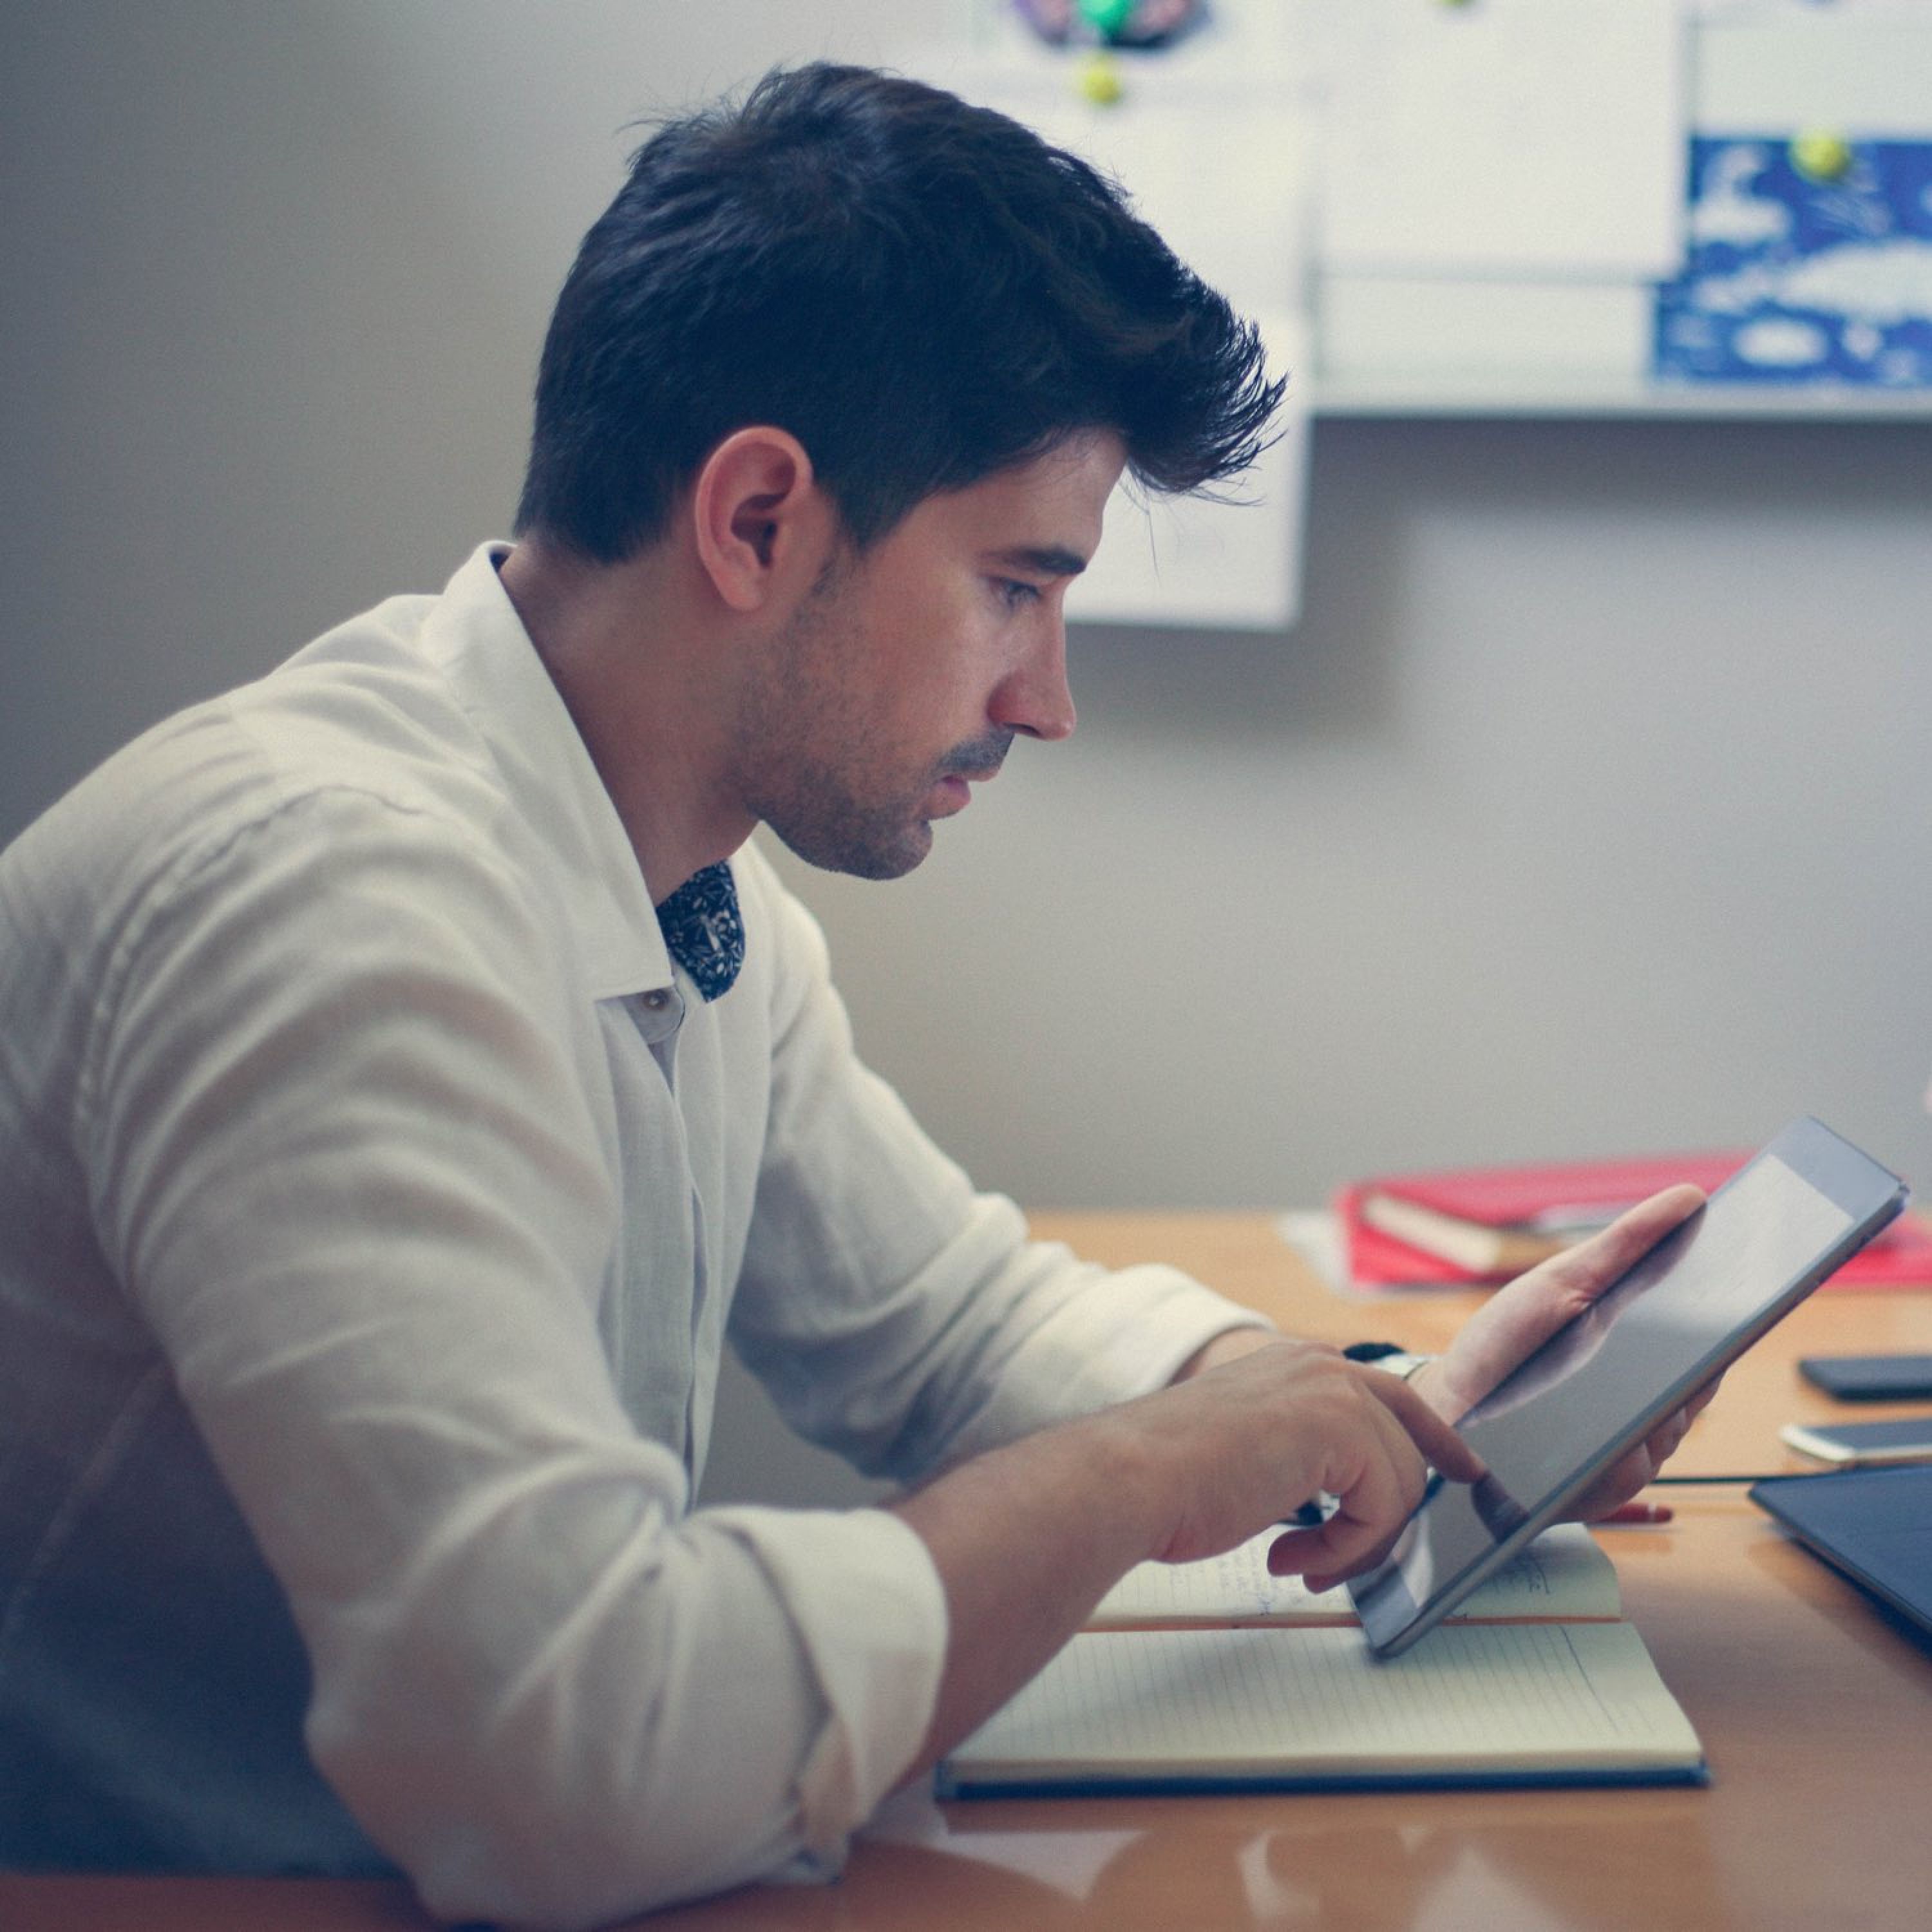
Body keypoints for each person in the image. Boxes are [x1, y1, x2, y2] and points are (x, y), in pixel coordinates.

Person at [0, 62, 1708, 1929]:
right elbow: (574, 1760)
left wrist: (1365, 1419)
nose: (1048, 699)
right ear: (755, 522)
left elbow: (947, 1328)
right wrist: (1145, 1471)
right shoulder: (326, 911)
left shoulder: (676, 883)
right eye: (1015, 587)